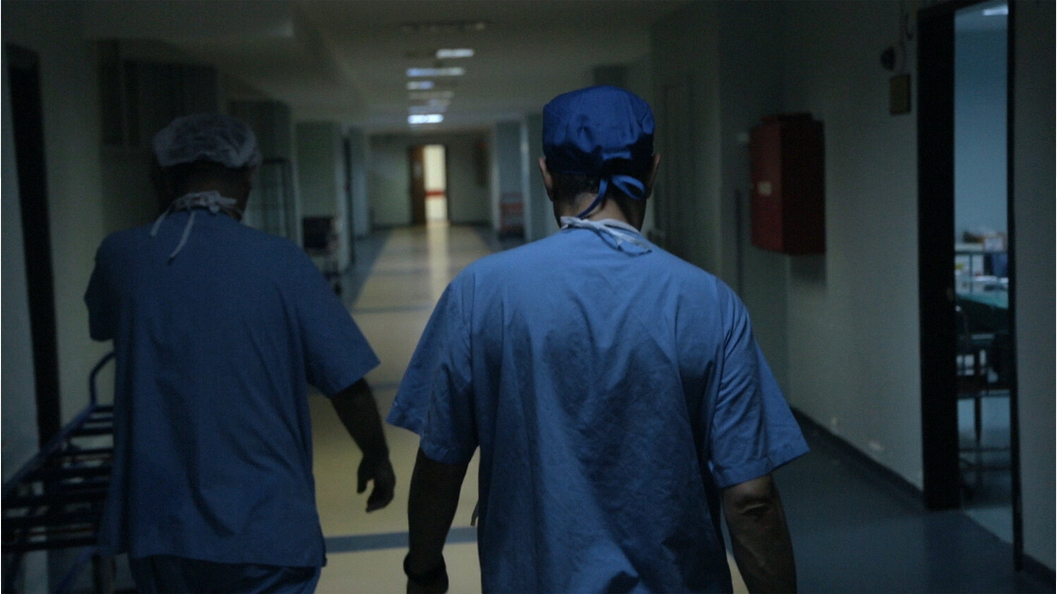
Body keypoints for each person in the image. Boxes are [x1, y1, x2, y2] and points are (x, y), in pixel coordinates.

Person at [387, 86, 808, 593]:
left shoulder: (481, 293)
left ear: (547, 175)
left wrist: (424, 570)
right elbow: (751, 499)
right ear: (652, 172)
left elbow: (440, 462)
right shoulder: (711, 304)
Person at [85, 113, 395, 593]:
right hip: (267, 526)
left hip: (162, 527)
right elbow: (346, 384)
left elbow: (102, 323)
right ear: (249, 176)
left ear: (162, 176)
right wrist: (376, 455)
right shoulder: (281, 261)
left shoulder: (120, 256)